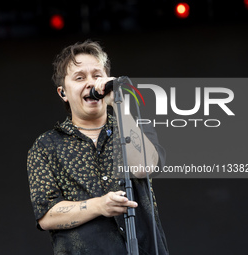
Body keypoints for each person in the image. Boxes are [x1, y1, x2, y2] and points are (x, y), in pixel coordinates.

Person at [27, 40, 169, 255]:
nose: (91, 83)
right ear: (63, 92)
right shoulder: (46, 146)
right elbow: (47, 216)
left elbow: (144, 167)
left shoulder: (133, 126)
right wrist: (99, 206)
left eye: (97, 75)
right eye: (80, 77)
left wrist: (119, 105)